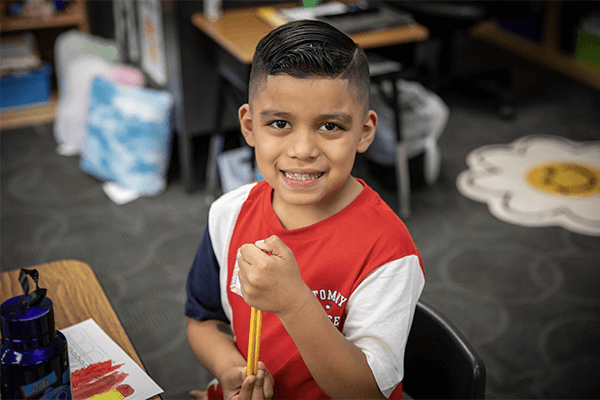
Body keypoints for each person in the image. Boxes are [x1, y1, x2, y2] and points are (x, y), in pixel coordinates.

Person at [185, 20, 425, 400]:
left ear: (364, 132)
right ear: (249, 126)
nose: (302, 150)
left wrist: (295, 302)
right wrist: (229, 371)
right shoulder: (228, 214)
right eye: (279, 123)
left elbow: (367, 391)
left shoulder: (388, 250)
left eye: (330, 126)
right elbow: (204, 319)